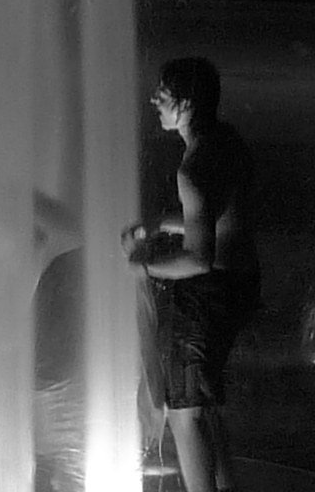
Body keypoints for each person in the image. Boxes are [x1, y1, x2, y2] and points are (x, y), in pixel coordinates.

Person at [124, 57, 260, 492]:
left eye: (161, 94)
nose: (153, 100)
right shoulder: (228, 142)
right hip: (241, 285)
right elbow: (222, 218)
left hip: (211, 294)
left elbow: (198, 259)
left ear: (184, 104)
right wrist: (167, 221)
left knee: (185, 412)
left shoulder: (194, 167)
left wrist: (141, 266)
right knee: (206, 406)